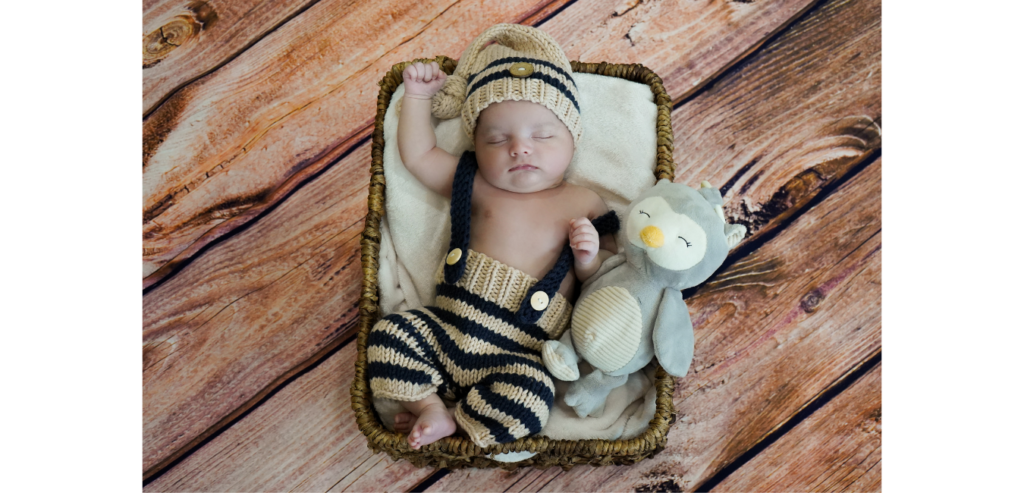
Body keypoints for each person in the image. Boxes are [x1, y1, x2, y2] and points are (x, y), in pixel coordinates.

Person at [367, 24, 618, 450]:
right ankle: (429, 406)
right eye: (497, 139)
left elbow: (606, 282)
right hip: (446, 328)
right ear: (477, 147)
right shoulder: (477, 183)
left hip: (516, 353)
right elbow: (419, 155)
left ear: (572, 140)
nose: (519, 148)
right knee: (390, 334)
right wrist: (417, 98)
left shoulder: (584, 202)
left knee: (534, 395)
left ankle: (455, 420)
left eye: (542, 135)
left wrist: (588, 258)